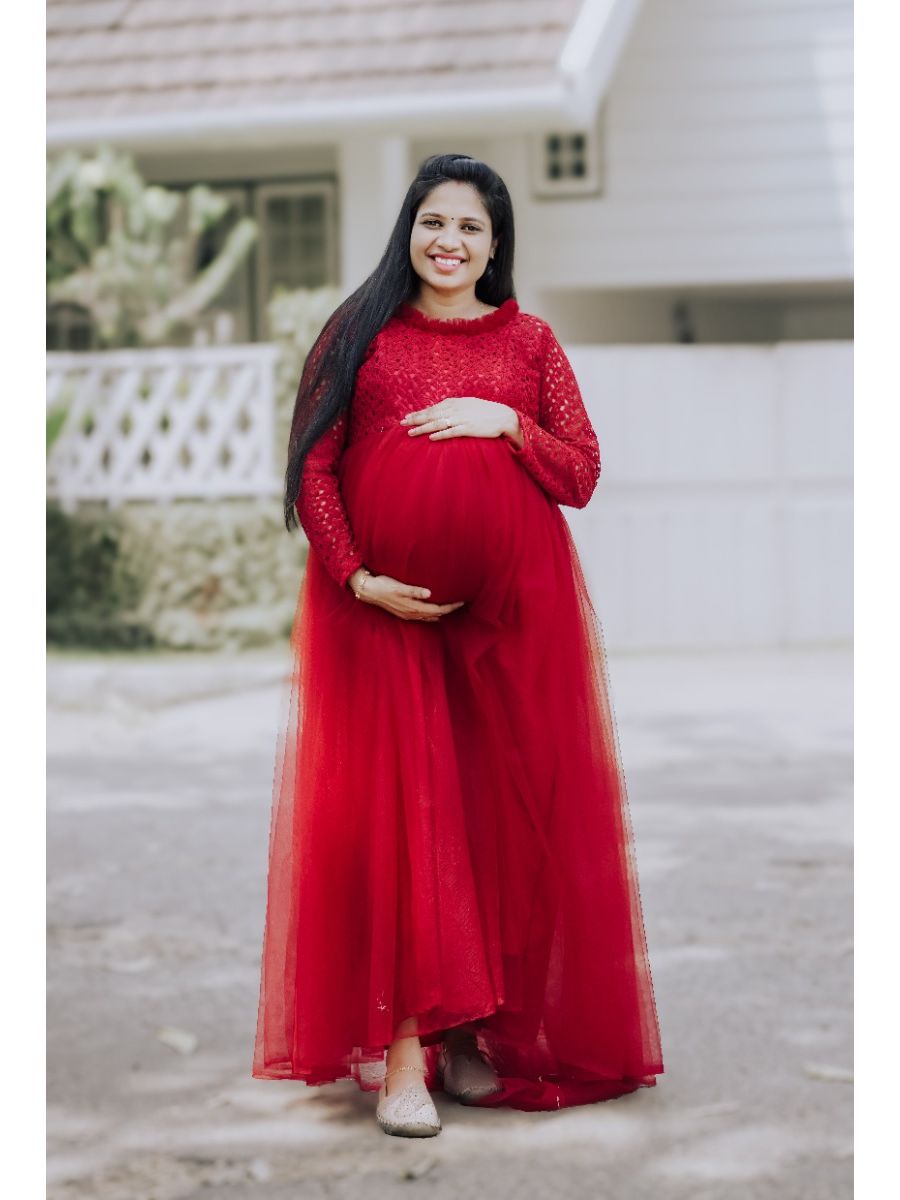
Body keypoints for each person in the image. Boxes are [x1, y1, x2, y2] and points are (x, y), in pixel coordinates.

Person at [252, 153, 664, 1137]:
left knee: (492, 820)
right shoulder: (361, 336)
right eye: (434, 222)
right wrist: (358, 576)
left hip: (511, 627)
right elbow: (314, 466)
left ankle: (474, 1035)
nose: (450, 241)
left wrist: (506, 421)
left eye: (471, 227)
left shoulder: (530, 341)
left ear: (495, 242)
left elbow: (581, 472)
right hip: (383, 620)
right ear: (408, 231)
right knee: (407, 824)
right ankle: (404, 1055)